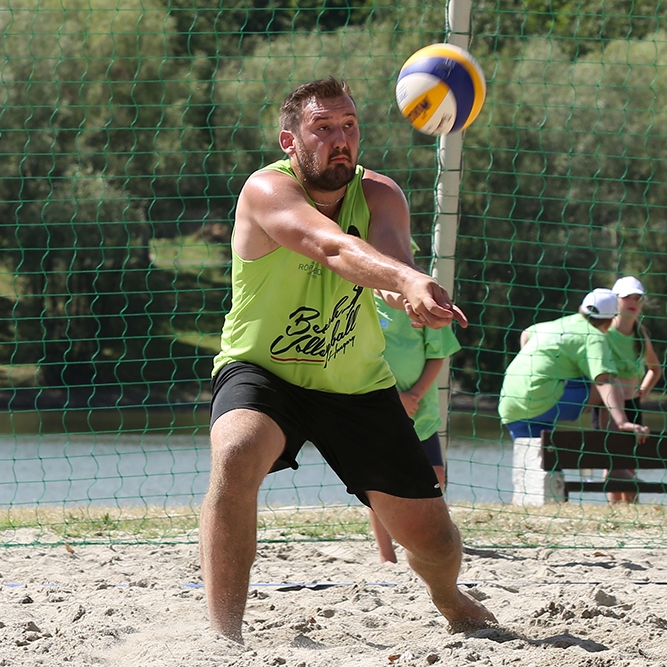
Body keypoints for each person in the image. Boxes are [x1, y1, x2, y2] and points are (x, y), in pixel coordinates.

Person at [200, 77, 495, 643]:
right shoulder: (266, 190)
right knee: (235, 452)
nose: (341, 139)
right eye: (324, 127)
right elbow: (331, 247)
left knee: (436, 543)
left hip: (355, 383)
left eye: (350, 126)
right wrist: (405, 279)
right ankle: (224, 636)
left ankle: (449, 597)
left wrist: (408, 293)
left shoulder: (380, 193)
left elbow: (390, 263)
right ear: (289, 141)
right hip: (264, 372)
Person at [369, 278, 461, 563]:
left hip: (419, 410)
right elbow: (357, 358)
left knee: (436, 475)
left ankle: (426, 543)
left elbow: (437, 355)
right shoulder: (362, 303)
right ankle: (387, 556)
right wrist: (394, 398)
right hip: (377, 409)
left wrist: (414, 395)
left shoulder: (424, 305)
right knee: (379, 484)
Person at [498, 288, 650, 459]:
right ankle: (615, 462)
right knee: (613, 389)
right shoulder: (594, 336)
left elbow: (526, 333)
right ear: (609, 323)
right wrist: (623, 421)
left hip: (510, 405)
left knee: (539, 465)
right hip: (542, 401)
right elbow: (604, 380)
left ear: (580, 309)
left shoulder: (555, 325)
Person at [595, 276, 663, 503]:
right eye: (627, 298)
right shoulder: (605, 333)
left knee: (630, 463)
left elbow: (655, 369)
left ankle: (631, 511)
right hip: (608, 407)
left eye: (637, 298)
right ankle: (615, 511)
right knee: (613, 463)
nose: (633, 302)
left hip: (633, 404)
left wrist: (643, 390)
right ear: (615, 300)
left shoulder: (640, 334)